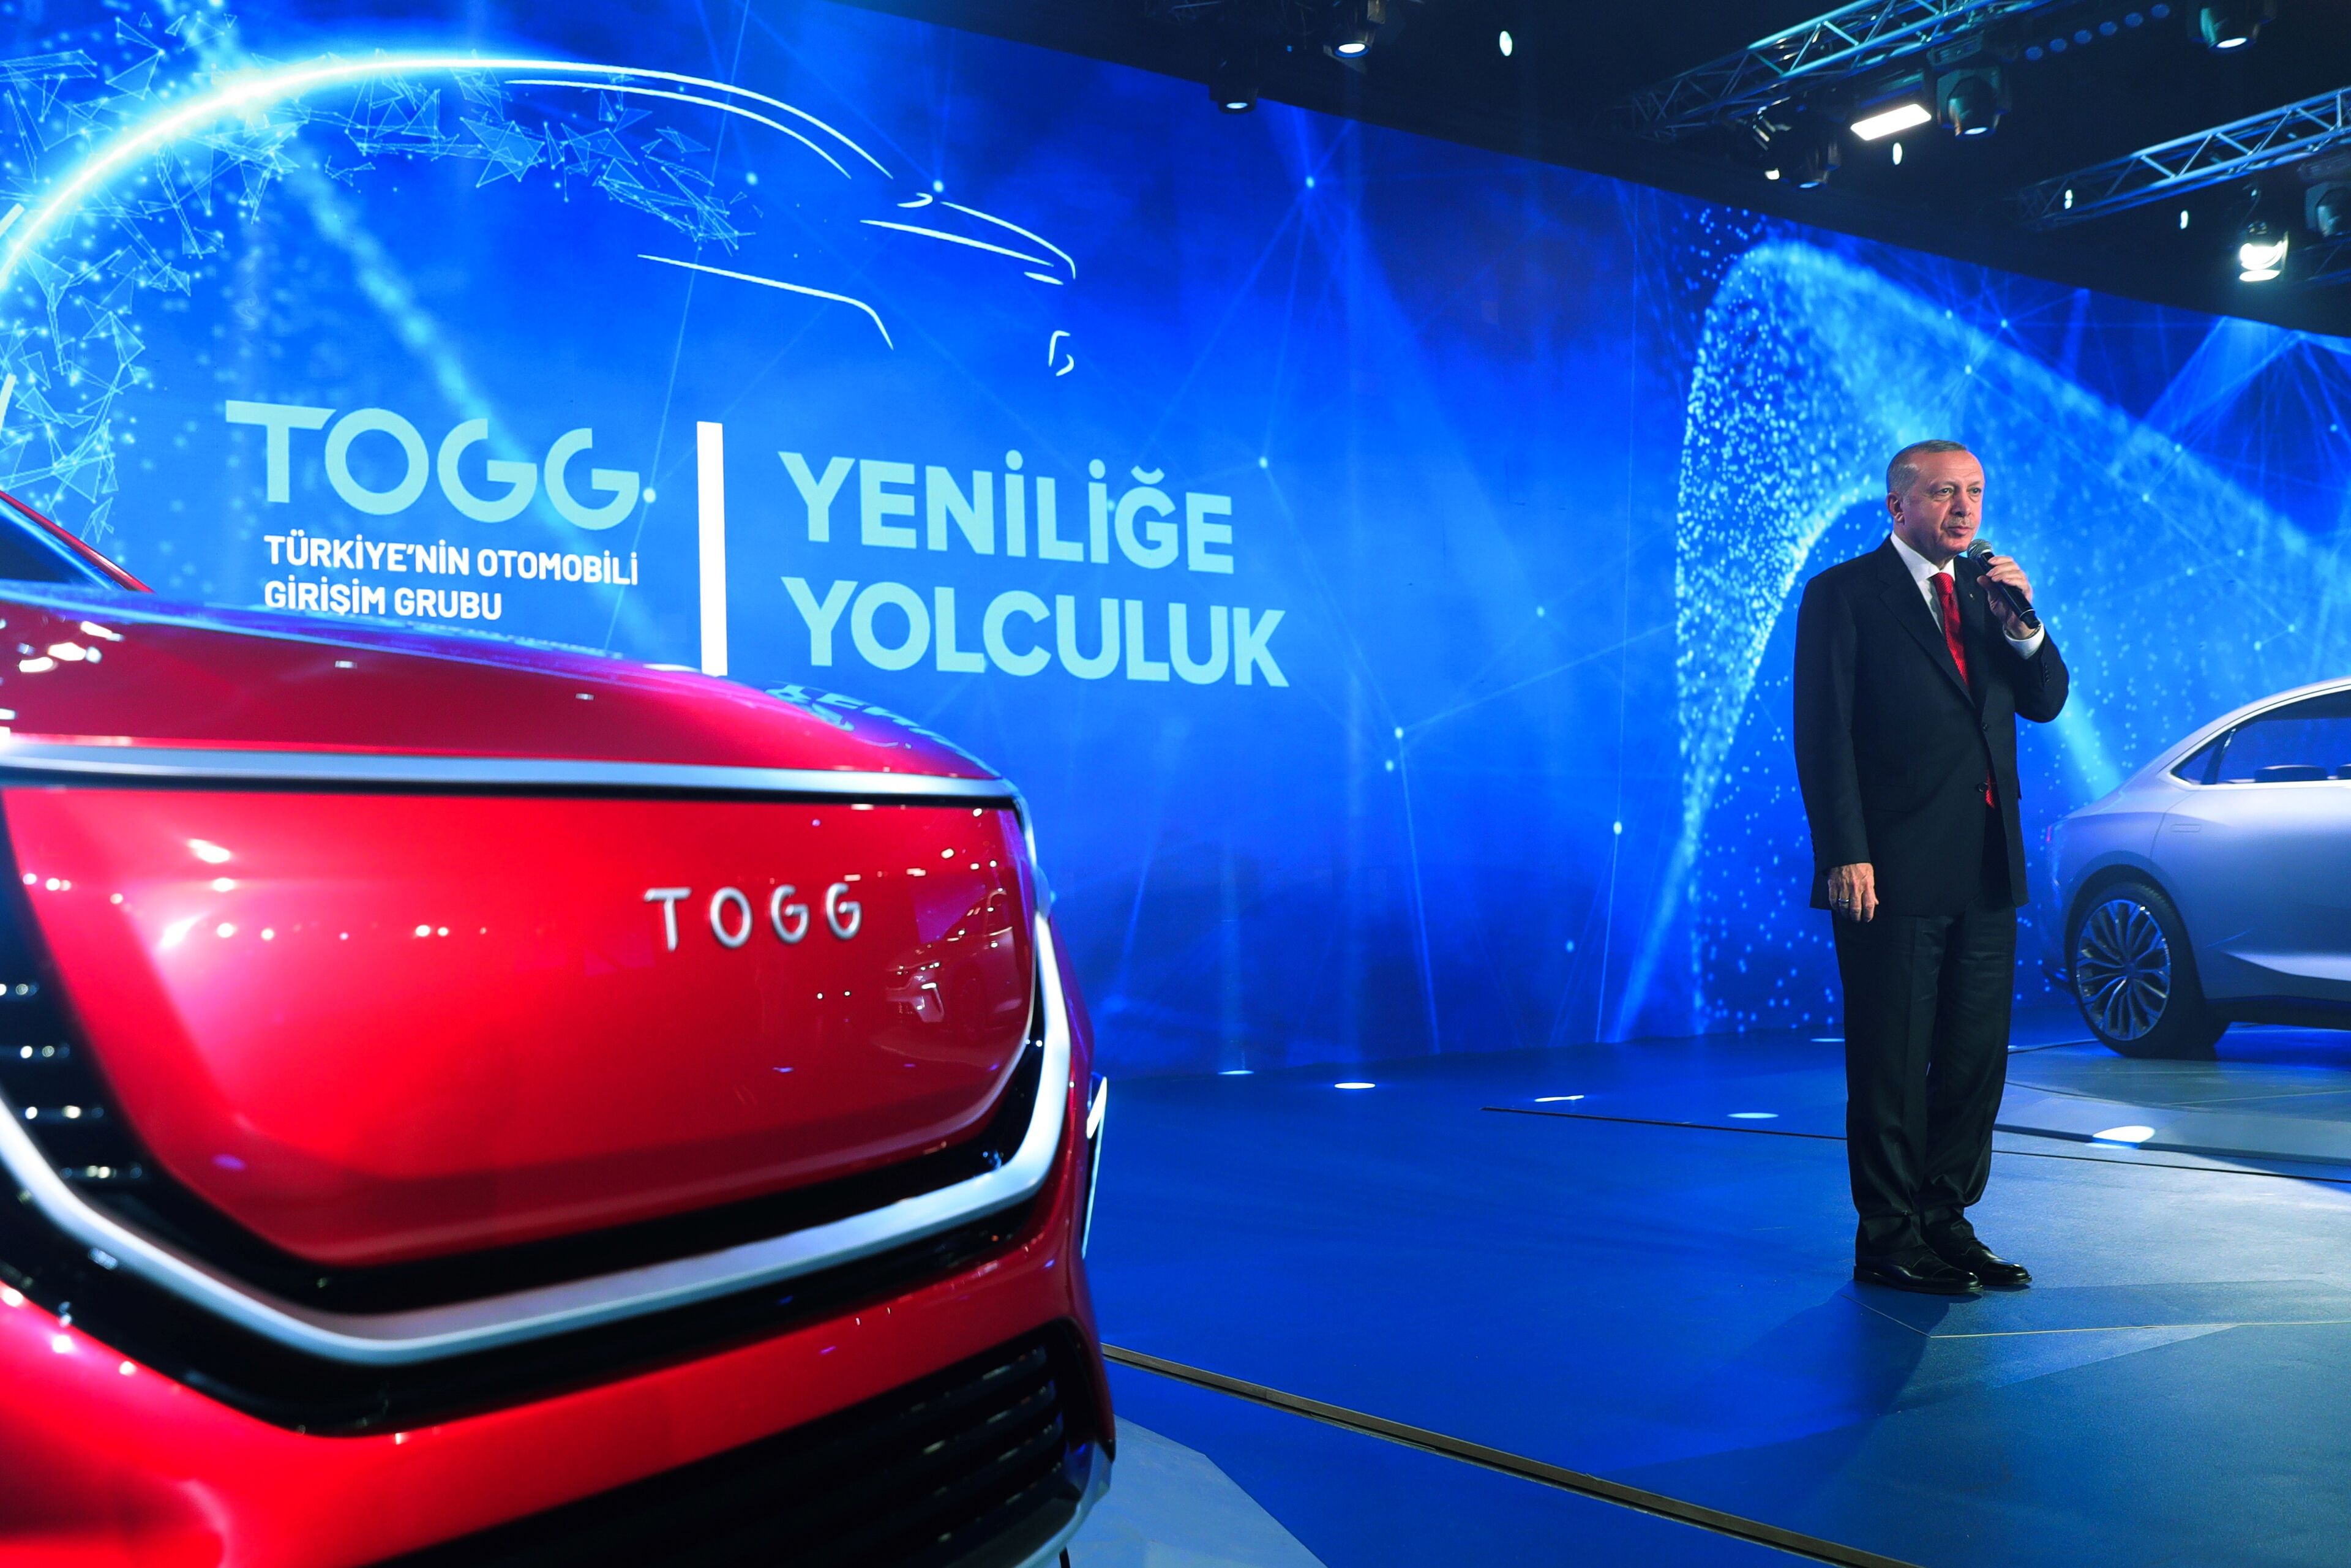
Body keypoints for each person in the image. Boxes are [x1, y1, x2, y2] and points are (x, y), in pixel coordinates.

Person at [1792, 440, 2069, 1296]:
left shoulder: (1989, 594)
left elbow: (2047, 700)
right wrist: (1845, 851)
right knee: (1892, 1059)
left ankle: (1946, 1220)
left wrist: (2024, 622)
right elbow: (1823, 733)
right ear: (1898, 505)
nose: (1965, 507)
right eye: (1946, 492)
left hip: (1986, 862)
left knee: (1973, 1060)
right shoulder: (1844, 593)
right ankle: (1888, 1234)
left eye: (1975, 491)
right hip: (1890, 868)